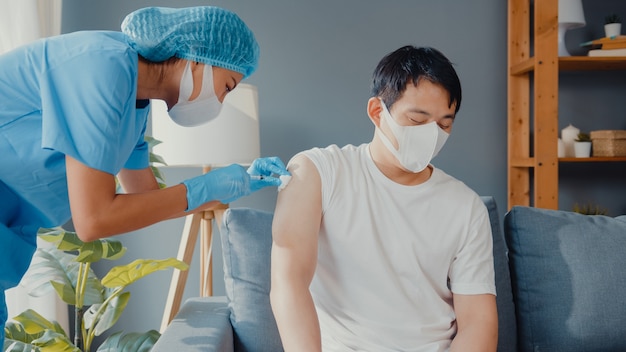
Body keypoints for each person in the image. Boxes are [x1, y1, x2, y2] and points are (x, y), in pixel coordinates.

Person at [0, 6, 289, 345]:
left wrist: (240, 181)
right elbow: (93, 220)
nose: (220, 102)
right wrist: (208, 186)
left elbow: (144, 199)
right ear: (198, 59)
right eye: (227, 87)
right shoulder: (102, 67)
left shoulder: (133, 103)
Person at [270, 46, 497, 351]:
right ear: (378, 112)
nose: (432, 135)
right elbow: (289, 282)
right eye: (418, 120)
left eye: (444, 124)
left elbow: (478, 324)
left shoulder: (466, 208)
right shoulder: (317, 172)